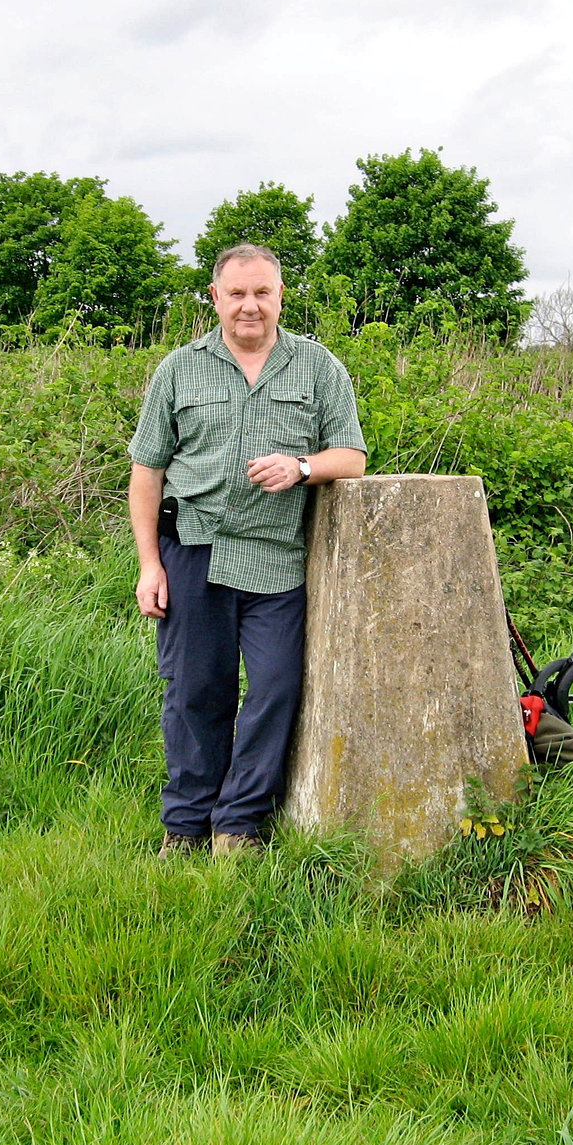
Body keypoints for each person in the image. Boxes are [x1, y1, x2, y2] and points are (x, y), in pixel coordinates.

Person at [127, 242, 367, 857]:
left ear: (280, 295)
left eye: (262, 292)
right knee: (194, 691)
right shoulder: (179, 369)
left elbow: (353, 459)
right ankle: (184, 828)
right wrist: (150, 564)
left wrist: (301, 466)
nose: (250, 306)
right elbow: (147, 472)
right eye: (237, 294)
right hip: (193, 551)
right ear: (216, 298)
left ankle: (238, 825)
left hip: (276, 557)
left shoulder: (318, 368)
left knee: (275, 688)